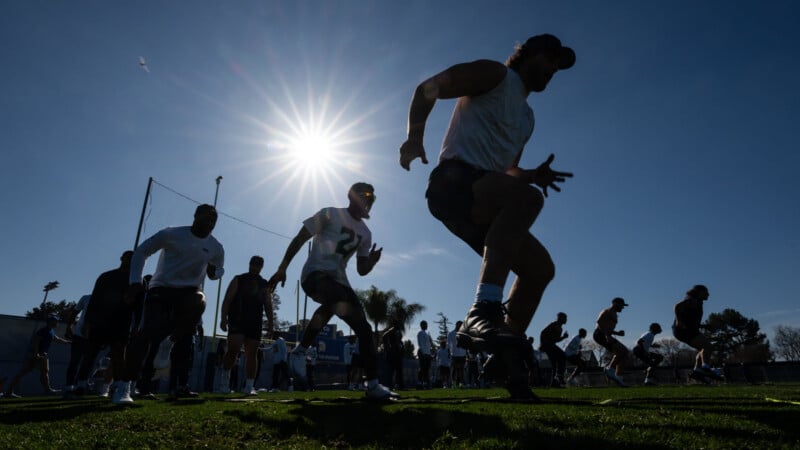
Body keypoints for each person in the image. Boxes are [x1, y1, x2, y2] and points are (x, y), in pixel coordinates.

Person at [399, 34, 575, 400]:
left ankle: (503, 351)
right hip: (453, 182)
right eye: (551, 61)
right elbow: (427, 88)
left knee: (540, 269)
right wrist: (415, 138)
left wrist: (531, 175)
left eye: (559, 68)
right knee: (527, 201)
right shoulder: (494, 75)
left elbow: (506, 170)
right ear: (529, 53)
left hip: (483, 197)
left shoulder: (527, 118)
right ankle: (483, 309)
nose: (553, 71)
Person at [267, 182, 397, 400]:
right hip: (315, 275)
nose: (368, 200)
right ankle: (301, 350)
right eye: (364, 195)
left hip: (340, 282)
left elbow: (361, 269)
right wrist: (282, 268)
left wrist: (372, 263)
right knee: (337, 298)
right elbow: (300, 238)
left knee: (364, 329)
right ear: (351, 195)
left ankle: (372, 384)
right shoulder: (330, 214)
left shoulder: (366, 233)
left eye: (371, 198)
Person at [120, 203, 225, 404]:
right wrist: (135, 281)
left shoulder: (215, 247)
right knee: (148, 333)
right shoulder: (172, 234)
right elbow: (142, 251)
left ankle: (180, 385)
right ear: (195, 216)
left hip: (189, 292)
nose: (209, 223)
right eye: (205, 217)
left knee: (195, 314)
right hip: (162, 288)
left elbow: (217, 271)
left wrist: (215, 272)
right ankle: (125, 386)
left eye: (213, 220)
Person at [71, 250, 135, 400]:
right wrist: (88, 322)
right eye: (127, 257)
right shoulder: (106, 276)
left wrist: (135, 324)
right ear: (122, 258)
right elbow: (95, 299)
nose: (130, 260)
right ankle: (81, 384)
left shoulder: (135, 280)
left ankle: (118, 386)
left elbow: (137, 304)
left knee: (119, 355)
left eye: (133, 258)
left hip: (121, 322)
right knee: (91, 354)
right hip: (101, 322)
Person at [219, 255, 274, 396]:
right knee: (233, 350)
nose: (255, 267)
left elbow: (268, 304)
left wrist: (271, 324)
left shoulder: (264, 284)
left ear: (261, 267)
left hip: (254, 322)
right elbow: (227, 299)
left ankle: (249, 386)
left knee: (252, 353)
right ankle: (225, 382)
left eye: (258, 265)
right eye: (253, 264)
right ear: (249, 264)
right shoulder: (239, 279)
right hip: (237, 319)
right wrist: (223, 319)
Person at [4, 315, 69, 397]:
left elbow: (56, 339)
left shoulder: (51, 331)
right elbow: (36, 341)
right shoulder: (43, 331)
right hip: (34, 355)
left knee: (45, 372)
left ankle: (48, 390)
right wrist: (36, 353)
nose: (57, 323)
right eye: (56, 321)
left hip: (43, 355)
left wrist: (67, 342)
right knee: (23, 372)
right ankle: (9, 392)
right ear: (50, 322)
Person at [673, 284, 721, 383]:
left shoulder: (698, 301)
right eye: (706, 292)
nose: (708, 294)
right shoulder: (692, 300)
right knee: (708, 347)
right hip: (684, 331)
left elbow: (691, 320)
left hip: (687, 330)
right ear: (699, 293)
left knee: (703, 350)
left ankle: (697, 371)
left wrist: (704, 326)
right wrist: (679, 321)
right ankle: (705, 369)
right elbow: (677, 306)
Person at [594, 297, 630, 387]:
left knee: (623, 354)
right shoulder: (607, 311)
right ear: (615, 303)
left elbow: (607, 327)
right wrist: (607, 335)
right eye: (622, 305)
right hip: (600, 334)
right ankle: (610, 369)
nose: (623, 308)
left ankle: (618, 376)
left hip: (605, 334)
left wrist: (617, 333)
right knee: (623, 351)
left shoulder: (614, 313)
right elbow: (599, 323)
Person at [62, 295, 91, 395]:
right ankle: (69, 386)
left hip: (93, 337)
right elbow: (75, 312)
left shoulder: (107, 299)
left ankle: (81, 385)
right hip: (79, 335)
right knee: (75, 360)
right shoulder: (86, 298)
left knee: (87, 362)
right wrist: (69, 327)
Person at [539, 312, 569, 387]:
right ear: (560, 318)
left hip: (551, 345)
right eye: (565, 318)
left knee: (557, 360)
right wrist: (542, 344)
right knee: (559, 357)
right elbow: (542, 333)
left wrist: (563, 337)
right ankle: (558, 378)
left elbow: (556, 340)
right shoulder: (553, 324)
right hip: (547, 345)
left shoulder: (560, 328)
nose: (566, 320)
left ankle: (555, 380)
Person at [382, 325, 405, 390]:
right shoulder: (391, 331)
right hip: (392, 354)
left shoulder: (398, 332)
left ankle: (400, 385)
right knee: (391, 371)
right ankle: (389, 386)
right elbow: (384, 336)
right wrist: (387, 348)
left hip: (398, 354)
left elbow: (399, 341)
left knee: (399, 371)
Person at [447, 321, 467, 388]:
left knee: (461, 369)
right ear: (456, 325)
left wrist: (466, 352)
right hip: (454, 354)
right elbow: (448, 344)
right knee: (454, 369)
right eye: (459, 325)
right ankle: (453, 383)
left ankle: (461, 383)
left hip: (462, 354)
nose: (460, 326)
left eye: (461, 325)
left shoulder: (463, 334)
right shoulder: (451, 334)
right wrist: (449, 352)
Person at [416, 320, 433, 389]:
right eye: (425, 324)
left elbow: (428, 346)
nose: (426, 326)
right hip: (422, 353)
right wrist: (423, 353)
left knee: (426, 369)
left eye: (426, 324)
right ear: (421, 325)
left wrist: (429, 354)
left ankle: (425, 383)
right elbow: (421, 344)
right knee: (422, 368)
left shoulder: (426, 334)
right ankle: (420, 383)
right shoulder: (420, 333)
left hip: (427, 353)